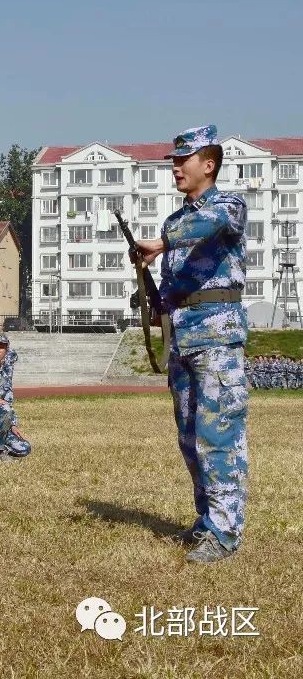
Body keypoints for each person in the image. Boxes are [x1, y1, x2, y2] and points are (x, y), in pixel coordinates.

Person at [133, 124, 250, 564]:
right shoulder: (174, 220)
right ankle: (207, 520)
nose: (176, 168)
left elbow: (212, 222)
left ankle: (225, 531)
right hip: (183, 337)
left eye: (184, 160)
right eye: (173, 161)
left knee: (217, 435)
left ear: (209, 163)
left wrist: (160, 244)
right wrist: (148, 286)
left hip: (218, 337)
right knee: (189, 435)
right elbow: (173, 282)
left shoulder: (228, 205)